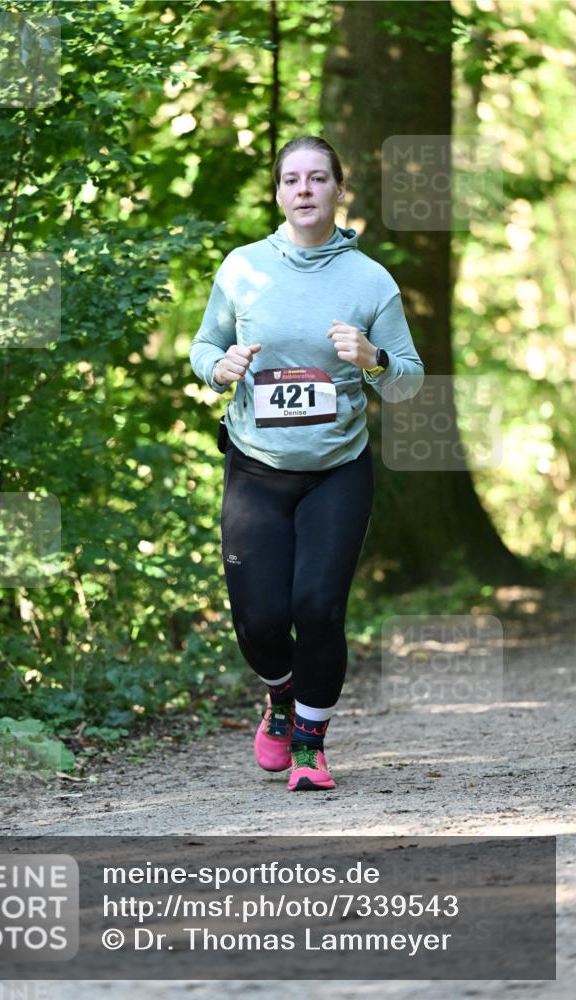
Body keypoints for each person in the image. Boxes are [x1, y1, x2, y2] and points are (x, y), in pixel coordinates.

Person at [189, 136, 424, 791]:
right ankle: (280, 695)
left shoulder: (369, 280)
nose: (303, 189)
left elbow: (406, 380)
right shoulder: (241, 269)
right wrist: (218, 366)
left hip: (336, 469)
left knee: (317, 607)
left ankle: (309, 747)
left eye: (317, 178)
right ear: (277, 193)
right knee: (259, 620)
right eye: (290, 179)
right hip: (255, 468)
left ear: (337, 190)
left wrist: (372, 359)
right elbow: (204, 343)